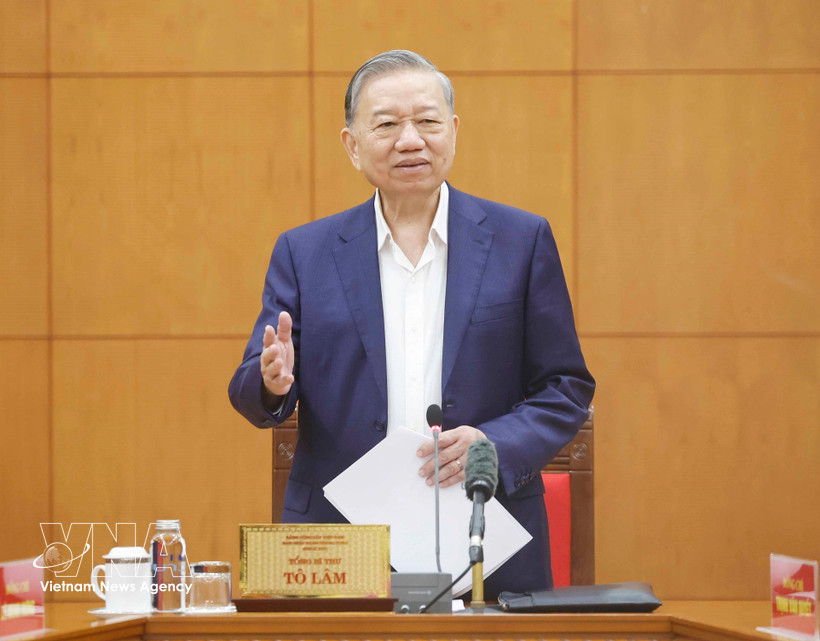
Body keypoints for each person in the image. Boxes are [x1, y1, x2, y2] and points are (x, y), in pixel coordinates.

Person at [229, 50, 594, 599]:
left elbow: (566, 387)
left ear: (453, 130)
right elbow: (251, 389)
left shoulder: (522, 241)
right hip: (340, 545)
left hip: (483, 533)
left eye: (426, 121)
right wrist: (271, 381)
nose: (409, 140)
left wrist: (491, 444)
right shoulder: (305, 253)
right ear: (352, 145)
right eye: (386, 124)